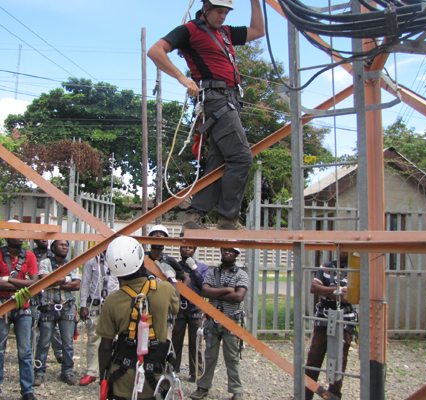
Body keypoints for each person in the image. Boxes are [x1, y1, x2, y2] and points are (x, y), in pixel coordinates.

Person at [148, 0, 264, 232]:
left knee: (218, 161)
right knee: (241, 157)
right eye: (219, 11)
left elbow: (258, 31)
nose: (223, 16)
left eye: (226, 12)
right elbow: (154, 51)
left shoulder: (226, 32)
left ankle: (194, 216)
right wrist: (183, 78)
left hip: (230, 99)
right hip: (215, 99)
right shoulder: (190, 30)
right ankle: (227, 219)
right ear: (206, 9)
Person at [97, 236, 180, 399]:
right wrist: (172, 279)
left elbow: (105, 347)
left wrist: (103, 379)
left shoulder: (112, 301)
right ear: (142, 261)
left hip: (121, 380)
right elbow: (176, 307)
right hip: (155, 381)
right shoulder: (165, 289)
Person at [0, 221, 38, 400]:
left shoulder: (29, 256)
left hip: (23, 306)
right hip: (2, 305)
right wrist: (21, 282)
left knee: (25, 351)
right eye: (16, 232)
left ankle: (27, 391)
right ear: (7, 236)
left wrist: (10, 280)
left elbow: (35, 283)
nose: (20, 236)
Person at [190, 247, 248, 400]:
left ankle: (237, 391)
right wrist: (228, 290)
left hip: (232, 320)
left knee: (232, 357)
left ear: (236, 254)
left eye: (231, 251)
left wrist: (217, 292)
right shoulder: (212, 272)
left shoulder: (241, 275)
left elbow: (238, 297)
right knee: (209, 355)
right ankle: (203, 387)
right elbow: (205, 292)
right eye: (225, 250)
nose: (227, 253)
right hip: (213, 320)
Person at [305, 252, 358, 400]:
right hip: (324, 319)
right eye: (339, 246)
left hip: (345, 321)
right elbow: (314, 288)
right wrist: (337, 291)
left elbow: (348, 297)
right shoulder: (327, 266)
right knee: (314, 358)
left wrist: (328, 291)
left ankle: (334, 396)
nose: (342, 250)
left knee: (339, 361)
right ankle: (306, 395)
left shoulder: (355, 269)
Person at [33, 239, 80, 386]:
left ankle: (67, 371)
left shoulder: (72, 263)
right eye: (61, 244)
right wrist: (67, 280)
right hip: (48, 306)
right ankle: (39, 372)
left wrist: (55, 282)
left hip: (67, 306)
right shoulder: (44, 263)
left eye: (67, 244)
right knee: (43, 342)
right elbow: (44, 281)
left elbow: (76, 284)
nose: (65, 246)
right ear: (53, 248)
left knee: (68, 343)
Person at [78, 249, 120, 386]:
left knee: (116, 340)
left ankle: (111, 372)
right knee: (93, 338)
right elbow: (85, 282)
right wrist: (83, 305)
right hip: (95, 304)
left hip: (114, 304)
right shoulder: (92, 259)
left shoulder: (120, 258)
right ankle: (92, 372)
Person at [171, 245, 209, 382]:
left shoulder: (203, 268)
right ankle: (172, 371)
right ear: (180, 249)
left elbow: (204, 285)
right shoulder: (175, 266)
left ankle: (196, 374)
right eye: (185, 247)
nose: (187, 250)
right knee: (176, 341)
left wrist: (195, 270)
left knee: (196, 342)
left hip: (195, 309)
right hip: (179, 308)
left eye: (190, 248)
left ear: (195, 250)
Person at [32, 239, 64, 364]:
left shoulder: (53, 255)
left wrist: (55, 281)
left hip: (51, 294)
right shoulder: (32, 255)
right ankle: (34, 354)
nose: (44, 240)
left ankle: (59, 353)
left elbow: (50, 279)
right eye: (41, 238)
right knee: (34, 324)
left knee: (53, 326)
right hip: (35, 294)